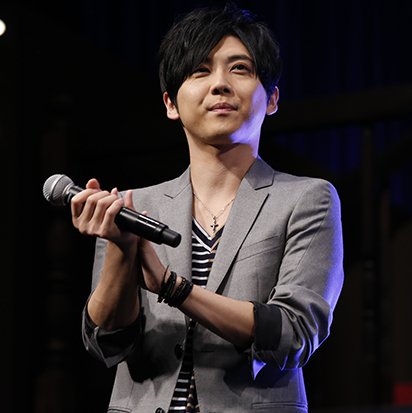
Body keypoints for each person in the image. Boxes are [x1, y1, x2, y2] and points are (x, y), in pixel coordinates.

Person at [71, 4, 344, 413]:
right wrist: (121, 252)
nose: (220, 84)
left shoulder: (307, 199)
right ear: (170, 103)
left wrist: (171, 286)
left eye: (240, 69)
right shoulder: (134, 206)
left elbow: (293, 333)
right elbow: (107, 343)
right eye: (200, 71)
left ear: (271, 99)